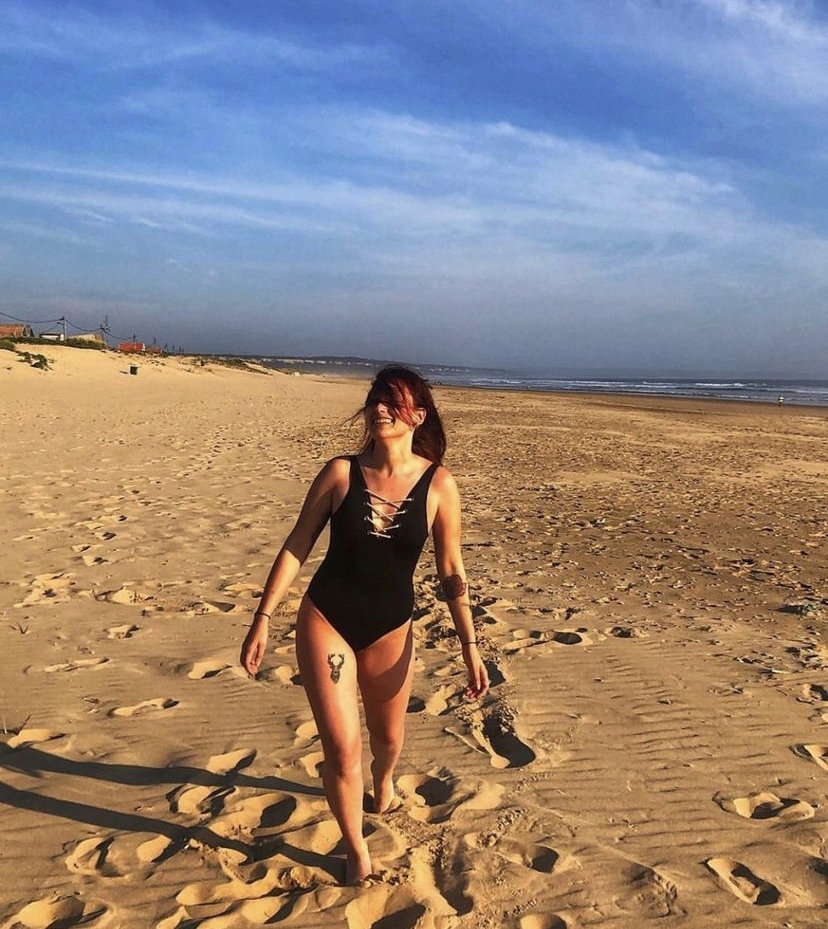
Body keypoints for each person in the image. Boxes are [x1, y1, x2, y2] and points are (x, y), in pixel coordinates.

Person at [240, 364, 489, 885]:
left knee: (387, 739)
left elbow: (451, 570)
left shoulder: (440, 485)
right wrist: (262, 617)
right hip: (326, 619)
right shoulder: (340, 474)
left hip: (391, 628)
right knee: (341, 749)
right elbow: (297, 546)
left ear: (418, 416)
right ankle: (356, 849)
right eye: (375, 398)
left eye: (392, 401)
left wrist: (470, 646)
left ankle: (385, 779)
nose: (379, 408)